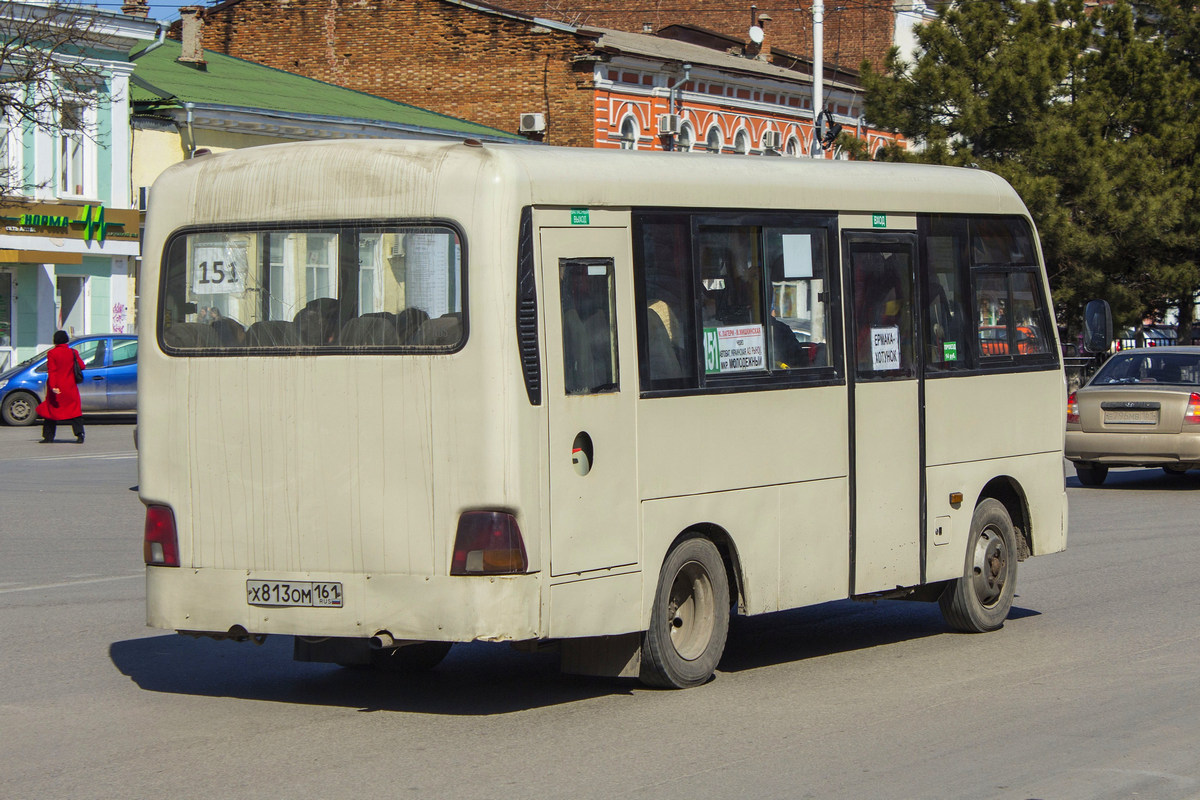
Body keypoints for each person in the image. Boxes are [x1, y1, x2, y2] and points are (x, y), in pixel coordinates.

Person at [35, 330, 86, 444]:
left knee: (50, 412)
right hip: (71, 387)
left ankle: (48, 436)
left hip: (57, 387)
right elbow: (82, 366)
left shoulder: (52, 353)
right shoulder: (73, 352)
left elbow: (52, 371)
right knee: (75, 412)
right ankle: (80, 434)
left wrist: (53, 386)